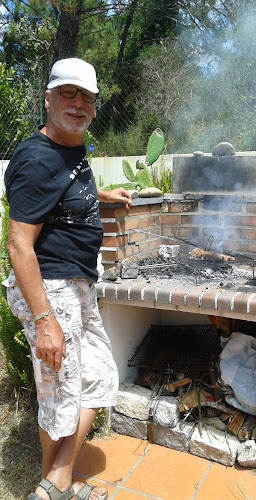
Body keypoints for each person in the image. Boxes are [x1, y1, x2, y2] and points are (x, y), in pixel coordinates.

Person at [4, 58, 132, 500]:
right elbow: (18, 245)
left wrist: (103, 196)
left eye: (87, 97)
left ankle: (54, 482)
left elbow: (65, 184)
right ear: (48, 97)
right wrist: (45, 321)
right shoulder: (36, 158)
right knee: (60, 399)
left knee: (97, 377)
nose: (78, 103)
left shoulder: (68, 147)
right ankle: (55, 487)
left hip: (77, 285)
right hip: (51, 289)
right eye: (68, 93)